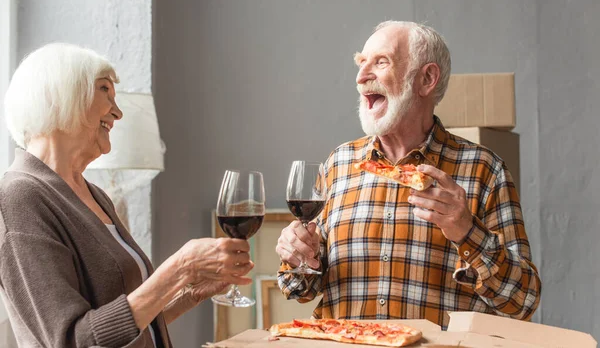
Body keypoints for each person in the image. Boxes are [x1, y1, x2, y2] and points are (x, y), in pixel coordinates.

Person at [276, 21, 541, 328]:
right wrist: (297, 257)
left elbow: (523, 303)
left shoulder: (484, 169)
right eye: (361, 63)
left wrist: (468, 232)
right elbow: (300, 288)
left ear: (426, 78)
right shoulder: (339, 164)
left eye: (381, 62)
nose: (362, 77)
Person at [0, 43, 253, 347]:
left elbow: (125, 328)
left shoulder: (95, 195)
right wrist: (178, 269)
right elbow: (71, 341)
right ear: (60, 95)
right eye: (104, 90)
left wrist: (189, 290)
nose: (117, 113)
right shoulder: (18, 198)